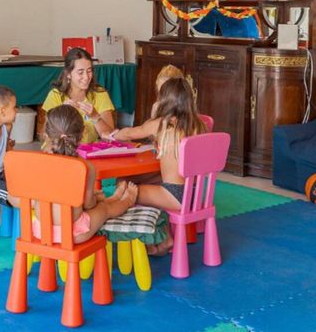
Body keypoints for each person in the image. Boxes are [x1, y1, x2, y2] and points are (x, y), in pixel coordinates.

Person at [37, 106, 137, 244]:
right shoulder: (85, 167)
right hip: (73, 234)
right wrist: (96, 198)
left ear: (46, 134)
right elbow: (89, 205)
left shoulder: (38, 163)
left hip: (42, 230)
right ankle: (127, 201)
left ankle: (114, 197)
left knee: (78, 202)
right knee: (104, 209)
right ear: (83, 132)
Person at [108, 77, 206, 214]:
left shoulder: (163, 123)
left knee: (125, 188)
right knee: (125, 179)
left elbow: (130, 133)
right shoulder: (199, 124)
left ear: (164, 101)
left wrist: (112, 135)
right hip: (196, 192)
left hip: (175, 194)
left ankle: (131, 216)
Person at [41, 48, 116, 143]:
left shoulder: (99, 94)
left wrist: (95, 116)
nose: (86, 77)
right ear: (68, 74)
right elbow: (44, 136)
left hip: (89, 150)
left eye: (89, 71)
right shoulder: (56, 95)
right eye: (80, 72)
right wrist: (62, 113)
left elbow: (110, 136)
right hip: (61, 150)